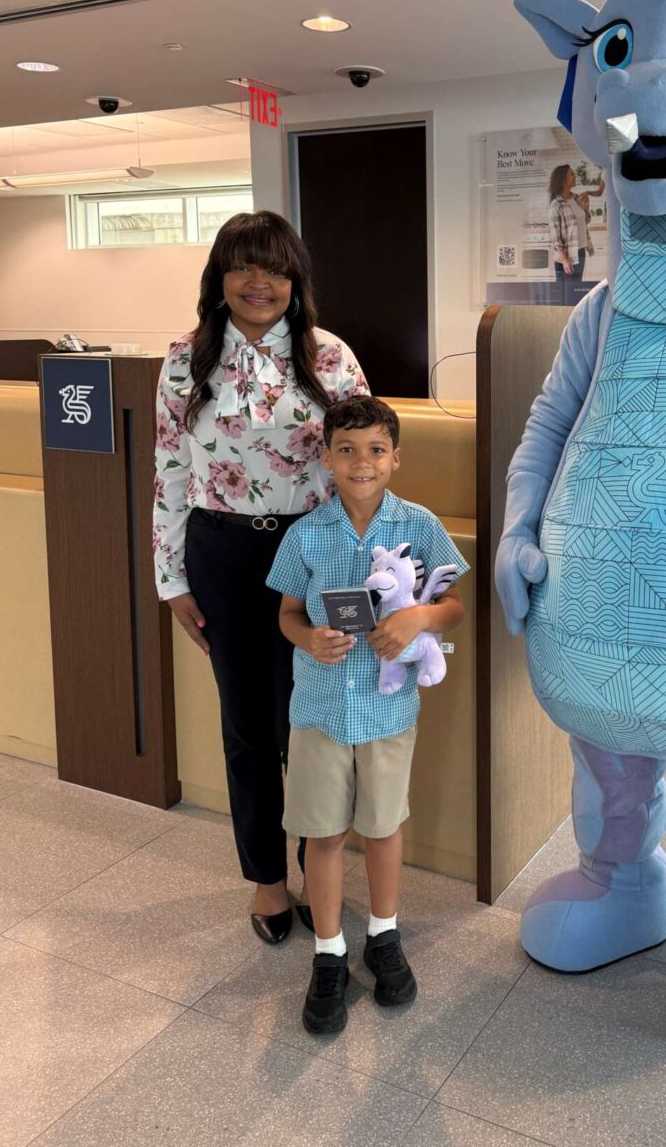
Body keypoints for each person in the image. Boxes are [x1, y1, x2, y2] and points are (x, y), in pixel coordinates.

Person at [153, 210, 368, 947]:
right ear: (218, 278)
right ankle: (267, 882)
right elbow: (170, 474)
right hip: (221, 555)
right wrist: (172, 581)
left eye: (273, 268)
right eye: (241, 267)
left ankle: (320, 872)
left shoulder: (330, 357)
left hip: (310, 555)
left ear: (294, 281)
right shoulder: (185, 361)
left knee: (310, 728)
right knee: (247, 727)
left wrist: (358, 568)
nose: (257, 283)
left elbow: (359, 465)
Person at [268, 395, 467, 1035]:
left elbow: (455, 605)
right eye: (347, 450)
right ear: (326, 458)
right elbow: (287, 615)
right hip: (321, 709)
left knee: (383, 827)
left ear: (396, 458)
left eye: (376, 450)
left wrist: (419, 617)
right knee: (322, 834)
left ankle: (384, 935)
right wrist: (308, 638)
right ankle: (329, 952)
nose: (362, 462)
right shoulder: (306, 535)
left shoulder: (420, 524)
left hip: (388, 710)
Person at [548, 164, 591, 302]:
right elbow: (556, 237)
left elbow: (585, 221)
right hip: (566, 256)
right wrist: (565, 259)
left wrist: (586, 207)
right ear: (563, 180)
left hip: (580, 251)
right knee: (563, 298)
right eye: (571, 174)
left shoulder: (576, 198)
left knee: (574, 296)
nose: (575, 177)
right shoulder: (556, 205)